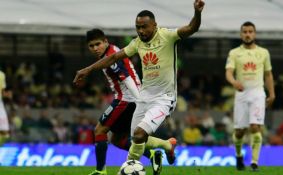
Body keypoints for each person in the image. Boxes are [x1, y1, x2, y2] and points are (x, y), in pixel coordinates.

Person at [74, 0, 204, 173]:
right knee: (136, 138)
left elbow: (191, 28)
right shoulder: (137, 43)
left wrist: (197, 13)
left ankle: (124, 169)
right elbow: (113, 58)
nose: (141, 31)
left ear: (154, 25)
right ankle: (167, 146)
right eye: (138, 27)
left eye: (144, 27)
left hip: (163, 98)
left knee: (139, 134)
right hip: (143, 97)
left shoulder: (167, 35)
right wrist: (88, 70)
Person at [82, 29, 165, 175]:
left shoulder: (111, 56)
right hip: (132, 98)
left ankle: (100, 171)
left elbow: (125, 78)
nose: (95, 48)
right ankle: (152, 154)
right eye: (91, 46)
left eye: (98, 44)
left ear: (105, 42)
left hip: (126, 99)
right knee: (117, 139)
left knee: (99, 130)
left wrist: (140, 101)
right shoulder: (112, 51)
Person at [225, 21, 275, 171]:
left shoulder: (263, 52)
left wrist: (272, 93)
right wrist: (234, 82)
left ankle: (254, 162)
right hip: (241, 95)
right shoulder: (234, 53)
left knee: (255, 127)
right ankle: (239, 156)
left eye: (250, 31)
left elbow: (268, 74)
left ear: (255, 33)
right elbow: (228, 72)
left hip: (258, 93)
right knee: (239, 132)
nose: (247, 34)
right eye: (245, 32)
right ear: (241, 34)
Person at [0, 70, 10, 147]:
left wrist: (6, 95)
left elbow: (3, 92)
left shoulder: (1, 75)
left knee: (5, 133)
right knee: (5, 133)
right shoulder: (1, 74)